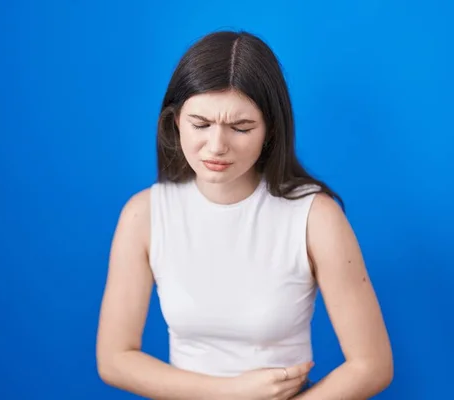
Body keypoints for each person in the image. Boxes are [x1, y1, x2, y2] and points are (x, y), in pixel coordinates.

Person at [96, 30, 393, 399]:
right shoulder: (145, 215)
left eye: (241, 128)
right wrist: (230, 392)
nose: (217, 146)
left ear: (270, 130)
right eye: (200, 124)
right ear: (175, 122)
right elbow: (114, 358)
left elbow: (372, 364)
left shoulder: (315, 217)